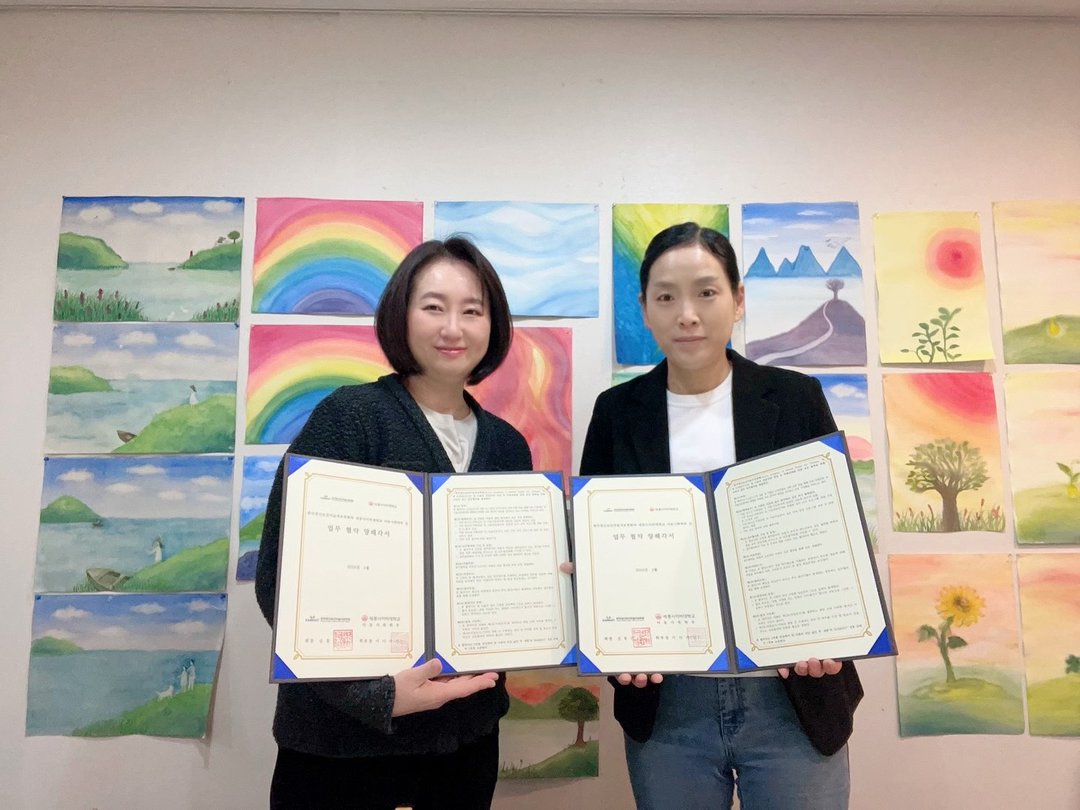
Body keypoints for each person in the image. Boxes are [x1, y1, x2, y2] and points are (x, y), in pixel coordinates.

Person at [580, 222, 863, 810]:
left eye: (706, 292)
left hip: (793, 693)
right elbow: (598, 548)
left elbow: (834, 535)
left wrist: (832, 631)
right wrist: (603, 617)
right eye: (666, 297)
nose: (687, 314)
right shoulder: (617, 412)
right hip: (669, 703)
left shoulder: (796, 398)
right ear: (645, 309)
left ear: (737, 300)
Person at [255, 237, 532, 810]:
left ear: (493, 324)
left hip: (465, 745)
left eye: (472, 310)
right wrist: (375, 695)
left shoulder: (507, 445)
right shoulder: (351, 417)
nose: (452, 327)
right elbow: (278, 578)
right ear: (401, 314)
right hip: (344, 750)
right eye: (433, 307)